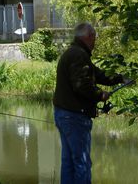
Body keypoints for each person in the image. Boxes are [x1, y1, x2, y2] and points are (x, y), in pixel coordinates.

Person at [53, 22, 128, 184]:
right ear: (89, 36)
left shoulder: (75, 53)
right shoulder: (78, 55)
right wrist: (101, 95)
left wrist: (120, 78)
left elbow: (97, 74)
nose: (95, 41)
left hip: (64, 114)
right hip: (74, 116)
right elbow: (82, 85)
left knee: (69, 162)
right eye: (94, 37)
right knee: (82, 163)